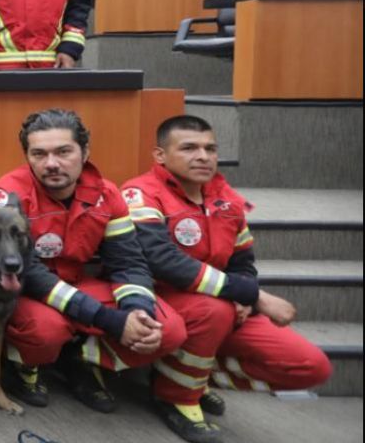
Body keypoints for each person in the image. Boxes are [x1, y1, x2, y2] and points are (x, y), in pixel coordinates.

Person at [121, 116, 331, 443]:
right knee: (213, 310)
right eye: (189, 148)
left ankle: (194, 377)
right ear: (160, 155)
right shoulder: (141, 193)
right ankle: (176, 397)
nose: (203, 156)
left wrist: (241, 292)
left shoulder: (228, 199)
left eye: (210, 148)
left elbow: (243, 262)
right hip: (162, 302)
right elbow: (162, 262)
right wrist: (252, 296)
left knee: (311, 367)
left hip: (221, 304)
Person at [0, 108, 186, 413]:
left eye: (63, 152)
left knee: (166, 329)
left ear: (85, 152)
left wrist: (137, 312)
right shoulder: (9, 194)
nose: (51, 163)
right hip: (27, 290)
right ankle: (24, 366)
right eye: (38, 154)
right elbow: (28, 273)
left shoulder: (107, 194)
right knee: (45, 330)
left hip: (77, 283)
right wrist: (111, 321)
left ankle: (79, 359)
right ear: (27, 156)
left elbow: (128, 262)